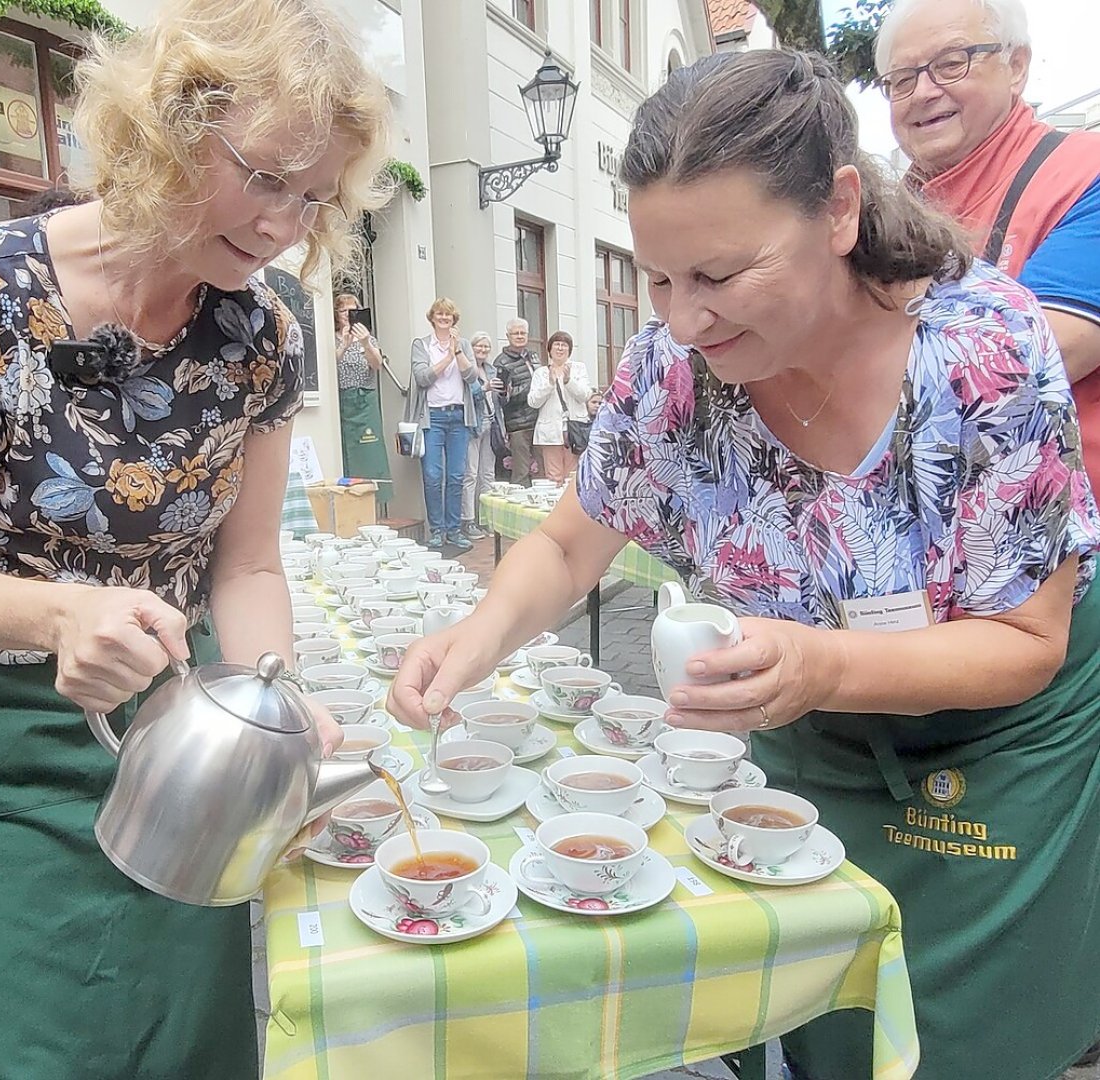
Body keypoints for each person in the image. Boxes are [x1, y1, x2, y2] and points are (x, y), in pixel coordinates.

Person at [390, 49, 1100, 1080]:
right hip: (811, 733)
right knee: (813, 1019)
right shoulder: (675, 372)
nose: (683, 319)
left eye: (720, 276)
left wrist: (822, 668)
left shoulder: (984, 349)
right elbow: (563, 541)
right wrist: (475, 636)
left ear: (841, 210)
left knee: (958, 1041)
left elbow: (1029, 641)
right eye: (660, 279)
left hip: (994, 754)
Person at [0, 0, 385, 1074]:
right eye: (267, 176)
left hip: (172, 736)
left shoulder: (262, 329)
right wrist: (61, 612)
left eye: (313, 199)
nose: (284, 225)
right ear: (171, 122)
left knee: (181, 1037)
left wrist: (274, 694)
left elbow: (249, 563)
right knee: (30, 1050)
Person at [878, 0, 1100, 489]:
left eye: (951, 63)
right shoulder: (886, 215)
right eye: (901, 79)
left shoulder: (1085, 174)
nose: (923, 92)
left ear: (1016, 66)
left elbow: (1030, 362)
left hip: (1072, 535)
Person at [406, 298, 485, 550]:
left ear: (454, 320)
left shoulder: (462, 345)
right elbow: (422, 377)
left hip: (459, 417)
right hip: (433, 417)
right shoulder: (421, 345)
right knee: (432, 475)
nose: (444, 318)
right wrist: (446, 358)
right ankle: (437, 530)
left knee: (456, 475)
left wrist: (457, 352)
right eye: (439, 314)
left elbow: (472, 376)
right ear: (432, 318)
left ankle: (453, 530)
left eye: (448, 315)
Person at [333, 291, 392, 487]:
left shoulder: (369, 339)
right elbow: (328, 368)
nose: (349, 315)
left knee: (370, 449)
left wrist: (365, 343)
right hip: (342, 401)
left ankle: (374, 494)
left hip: (366, 401)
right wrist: (343, 345)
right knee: (346, 451)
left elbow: (377, 365)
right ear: (336, 314)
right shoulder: (330, 338)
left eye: (353, 311)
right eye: (344, 311)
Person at [526, 330, 592, 481]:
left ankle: (570, 504)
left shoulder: (579, 369)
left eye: (564, 345)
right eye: (556, 345)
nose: (560, 348)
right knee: (553, 476)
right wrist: (549, 384)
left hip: (575, 430)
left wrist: (569, 381)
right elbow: (533, 402)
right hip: (550, 431)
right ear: (549, 349)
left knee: (573, 477)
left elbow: (585, 395)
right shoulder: (541, 373)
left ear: (569, 350)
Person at [459, 330, 498, 539]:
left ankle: (487, 520)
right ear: (471, 348)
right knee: (470, 474)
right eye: (479, 346)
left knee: (488, 474)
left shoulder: (491, 369)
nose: (482, 350)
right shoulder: (467, 369)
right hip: (473, 423)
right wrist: (485, 387)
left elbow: (497, 401)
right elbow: (470, 394)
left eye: (486, 347)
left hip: (491, 423)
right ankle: (468, 520)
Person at [493, 317, 539, 483]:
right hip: (518, 426)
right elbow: (503, 398)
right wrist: (532, 387)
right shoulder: (501, 362)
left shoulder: (534, 356)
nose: (520, 336)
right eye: (516, 333)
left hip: (539, 422)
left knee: (540, 473)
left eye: (523, 333)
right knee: (522, 473)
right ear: (508, 336)